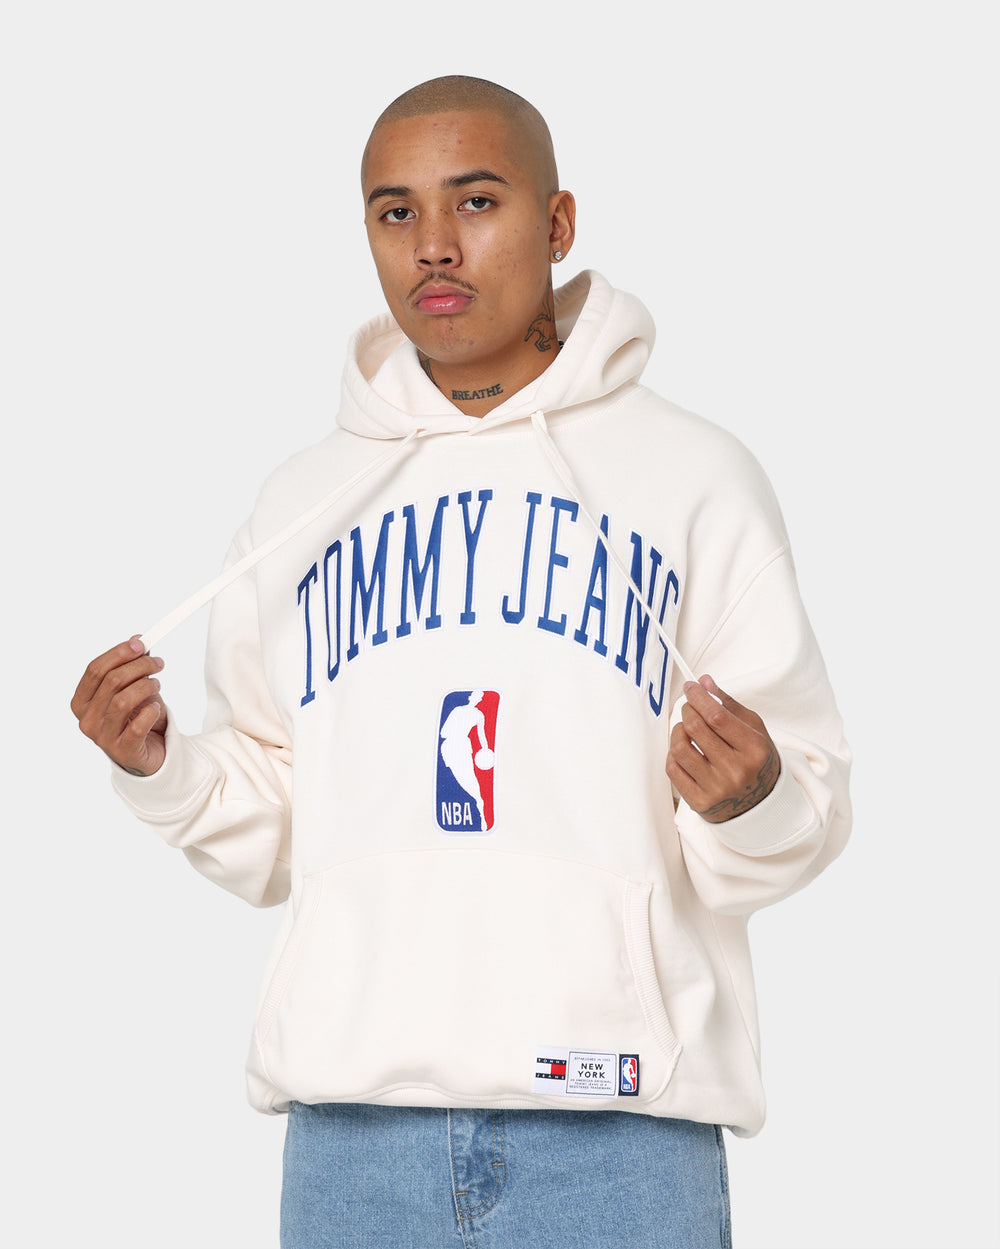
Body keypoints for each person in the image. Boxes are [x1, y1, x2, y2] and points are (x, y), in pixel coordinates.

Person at [71, 75, 851, 1249]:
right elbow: (276, 829)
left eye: (475, 201)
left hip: (618, 1134)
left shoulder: (694, 478)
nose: (433, 243)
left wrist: (754, 797)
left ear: (558, 221)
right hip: (354, 1140)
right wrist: (161, 767)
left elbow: (803, 803)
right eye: (395, 212)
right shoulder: (300, 502)